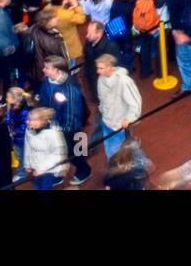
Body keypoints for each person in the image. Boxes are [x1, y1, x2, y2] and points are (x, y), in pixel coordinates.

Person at [38, 56, 91, 185]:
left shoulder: (70, 87)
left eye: (47, 68)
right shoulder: (46, 80)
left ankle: (84, 170)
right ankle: (60, 173)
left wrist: (65, 128)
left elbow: (73, 111)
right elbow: (44, 99)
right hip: (54, 124)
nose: (43, 70)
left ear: (56, 70)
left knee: (73, 151)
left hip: (69, 127)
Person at [95, 54, 142, 161]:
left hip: (119, 124)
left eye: (100, 68)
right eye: (97, 68)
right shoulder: (101, 79)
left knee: (120, 150)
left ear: (109, 67)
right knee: (114, 149)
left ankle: (133, 166)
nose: (98, 71)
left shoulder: (124, 81)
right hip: (107, 120)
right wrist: (102, 109)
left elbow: (135, 102)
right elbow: (101, 98)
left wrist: (129, 118)